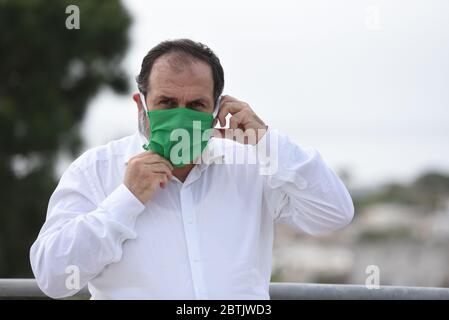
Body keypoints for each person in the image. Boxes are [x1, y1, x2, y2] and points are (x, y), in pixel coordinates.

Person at [30, 39, 354, 300]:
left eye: (196, 105)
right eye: (167, 103)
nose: (180, 116)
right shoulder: (95, 170)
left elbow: (334, 213)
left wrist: (266, 141)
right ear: (140, 105)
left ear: (216, 110)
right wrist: (125, 200)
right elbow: (53, 277)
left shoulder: (251, 166)